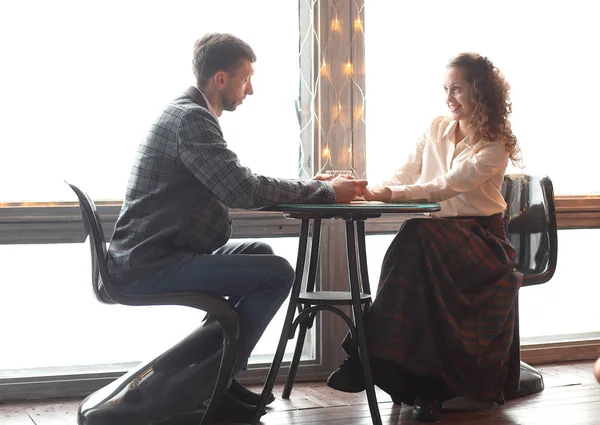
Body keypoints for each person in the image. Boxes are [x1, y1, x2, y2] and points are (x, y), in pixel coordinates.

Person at [105, 32, 367, 422]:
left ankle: (219, 381)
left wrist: (318, 187)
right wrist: (326, 191)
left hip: (150, 256)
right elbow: (241, 188)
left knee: (259, 255)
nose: (251, 89)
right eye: (246, 79)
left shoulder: (186, 113)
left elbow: (239, 182)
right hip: (149, 265)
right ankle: (211, 385)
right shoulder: (192, 119)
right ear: (221, 79)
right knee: (277, 274)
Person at [326, 52, 523, 422]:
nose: (449, 98)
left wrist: (388, 196)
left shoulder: (496, 145)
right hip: (438, 240)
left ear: (480, 93)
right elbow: (404, 173)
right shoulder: (435, 128)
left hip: (483, 241)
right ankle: (419, 389)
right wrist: (367, 188)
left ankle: (363, 355)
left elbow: (447, 186)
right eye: (446, 89)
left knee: (416, 233)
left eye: (458, 90)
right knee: (417, 243)